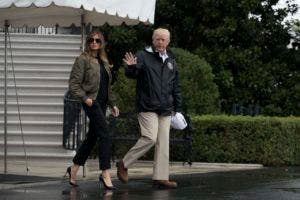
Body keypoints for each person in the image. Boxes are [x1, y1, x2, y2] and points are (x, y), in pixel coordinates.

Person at [116, 28, 182, 189]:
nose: (160, 42)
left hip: (166, 107)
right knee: (150, 138)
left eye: (163, 40)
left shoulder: (171, 59)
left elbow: (175, 86)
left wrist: (178, 108)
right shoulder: (143, 55)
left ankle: (160, 177)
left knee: (163, 142)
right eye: (157, 39)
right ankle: (124, 163)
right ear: (153, 40)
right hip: (147, 106)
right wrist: (131, 67)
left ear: (168, 41)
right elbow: (133, 74)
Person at [66, 31, 119, 190]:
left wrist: (113, 104)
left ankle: (74, 168)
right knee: (105, 134)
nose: (94, 42)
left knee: (92, 138)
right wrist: (85, 98)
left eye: (97, 40)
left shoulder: (103, 61)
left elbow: (106, 87)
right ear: (88, 42)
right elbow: (73, 84)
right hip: (91, 102)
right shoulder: (82, 59)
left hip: (102, 103)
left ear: (102, 43)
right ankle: (105, 173)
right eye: (91, 40)